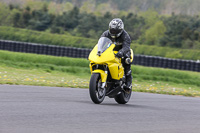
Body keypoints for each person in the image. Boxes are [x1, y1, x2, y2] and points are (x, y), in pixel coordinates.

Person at [101, 18, 132, 91]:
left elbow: (127, 47)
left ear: (120, 29)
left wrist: (121, 52)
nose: (113, 32)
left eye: (115, 30)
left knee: (127, 60)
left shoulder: (125, 35)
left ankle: (128, 82)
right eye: (112, 30)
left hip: (123, 51)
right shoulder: (106, 34)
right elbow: (101, 43)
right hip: (111, 51)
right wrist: (99, 50)